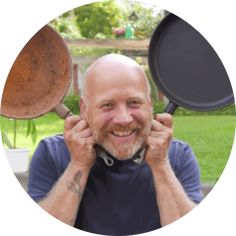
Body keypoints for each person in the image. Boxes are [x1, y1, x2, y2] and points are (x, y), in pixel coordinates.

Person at [28, 54, 203, 235]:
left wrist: (160, 165)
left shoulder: (178, 156)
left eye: (134, 103)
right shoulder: (51, 153)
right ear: (84, 109)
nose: (123, 119)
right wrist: (79, 163)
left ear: (150, 106)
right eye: (108, 105)